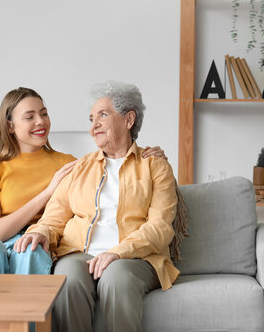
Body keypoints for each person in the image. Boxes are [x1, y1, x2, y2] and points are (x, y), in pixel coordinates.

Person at [14, 80, 179, 332]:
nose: (94, 126)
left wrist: (118, 252)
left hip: (134, 258)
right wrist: (39, 232)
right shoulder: (80, 167)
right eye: (91, 119)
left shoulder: (155, 166)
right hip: (80, 254)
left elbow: (160, 227)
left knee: (116, 277)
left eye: (103, 115)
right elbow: (53, 218)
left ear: (128, 119)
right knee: (67, 277)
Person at [0, 86, 167, 275]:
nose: (40, 121)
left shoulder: (69, 164)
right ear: (10, 126)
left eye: (44, 114)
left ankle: (26, 317)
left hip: (39, 243)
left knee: (31, 252)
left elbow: (108, 174)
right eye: (29, 117)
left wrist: (148, 157)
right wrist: (47, 193)